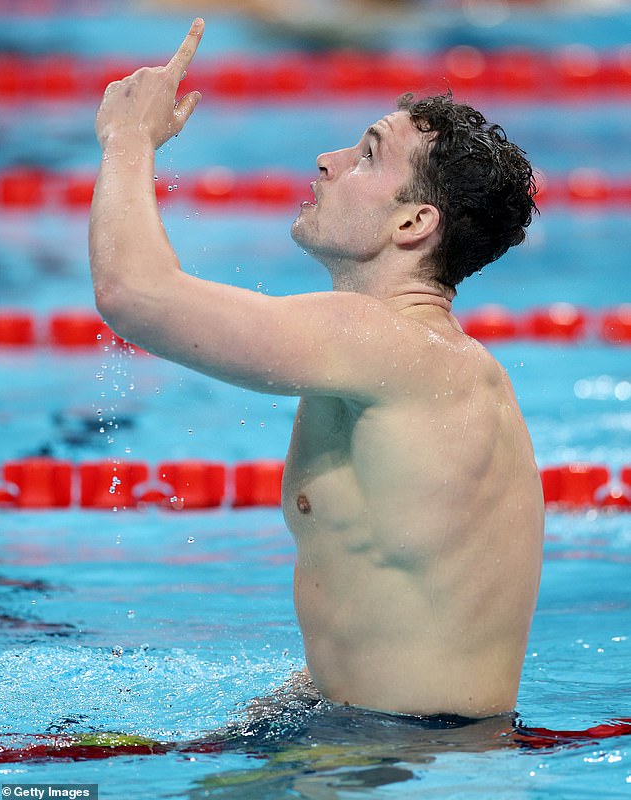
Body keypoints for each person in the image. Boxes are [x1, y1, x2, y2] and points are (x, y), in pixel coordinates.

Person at [89, 18, 544, 721]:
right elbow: (400, 617)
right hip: (419, 747)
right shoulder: (425, 362)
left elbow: (135, 295)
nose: (327, 160)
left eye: (367, 155)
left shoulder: (382, 342)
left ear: (412, 224)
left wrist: (127, 140)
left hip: (401, 765)